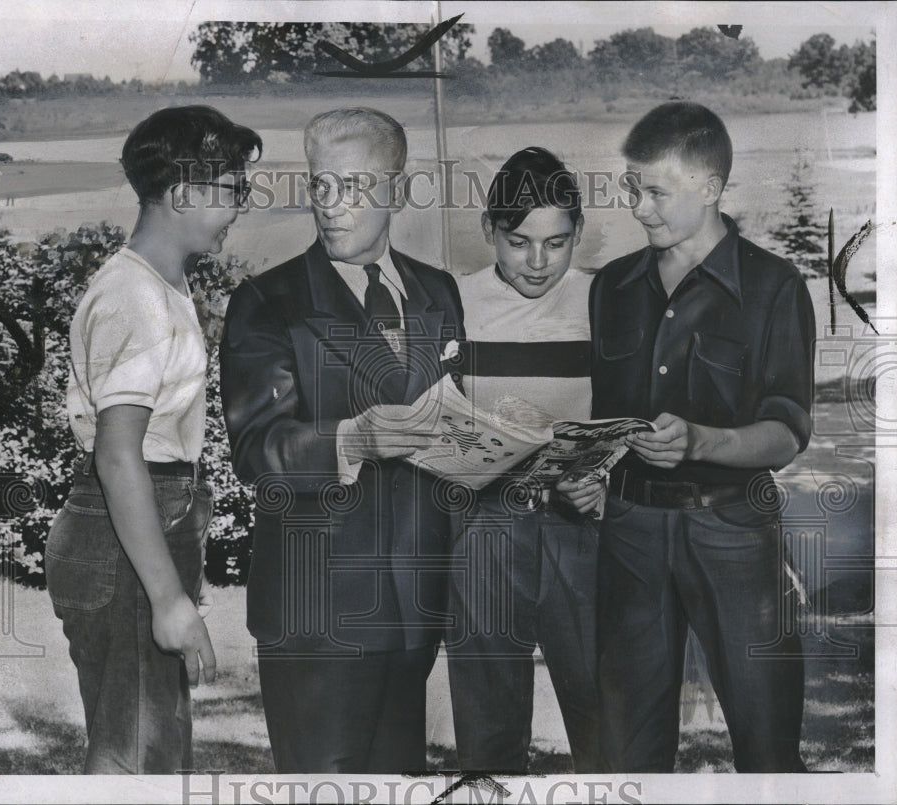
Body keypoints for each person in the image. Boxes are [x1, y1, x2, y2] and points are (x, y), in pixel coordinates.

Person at [558, 101, 815, 772]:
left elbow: (786, 432)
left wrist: (701, 441)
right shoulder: (611, 286)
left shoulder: (775, 287)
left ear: (709, 186)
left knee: (768, 745)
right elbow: (608, 416)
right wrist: (586, 466)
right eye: (630, 186)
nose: (637, 207)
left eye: (655, 191)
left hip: (734, 535)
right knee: (625, 752)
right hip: (630, 535)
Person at [219, 107, 464, 773]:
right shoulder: (269, 302)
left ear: (399, 190)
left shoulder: (438, 291)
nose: (330, 205)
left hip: (415, 607)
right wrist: (350, 441)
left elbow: (447, 431)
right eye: (320, 184)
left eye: (353, 186)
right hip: (316, 615)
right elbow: (255, 450)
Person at [45, 105, 262, 774]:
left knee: (151, 743)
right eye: (232, 189)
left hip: (145, 520)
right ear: (183, 194)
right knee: (136, 753)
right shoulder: (135, 299)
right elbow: (118, 455)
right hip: (128, 529)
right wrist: (169, 599)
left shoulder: (161, 285)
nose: (239, 207)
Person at [444, 147, 600, 773]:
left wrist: (607, 481)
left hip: (583, 533)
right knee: (488, 725)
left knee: (605, 715)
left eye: (557, 243)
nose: (538, 262)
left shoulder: (605, 302)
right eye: (518, 241)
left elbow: (635, 415)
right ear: (489, 231)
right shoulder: (453, 301)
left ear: (578, 235)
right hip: (484, 530)